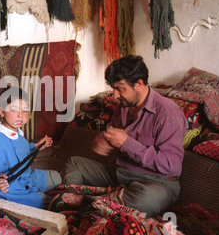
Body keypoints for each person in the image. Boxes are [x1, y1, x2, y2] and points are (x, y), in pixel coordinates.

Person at [63, 55, 187, 216]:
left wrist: (126, 143)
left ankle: (89, 205)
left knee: (146, 199)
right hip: (120, 174)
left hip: (155, 183)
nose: (114, 95)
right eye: (113, 88)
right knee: (74, 164)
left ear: (139, 84)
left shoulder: (168, 114)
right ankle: (98, 203)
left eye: (120, 89)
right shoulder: (124, 105)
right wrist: (102, 140)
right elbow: (109, 133)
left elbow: (171, 165)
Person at [0, 86, 62, 208]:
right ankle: (37, 198)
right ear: (1, 112)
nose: (20, 115)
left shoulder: (17, 133)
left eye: (24, 110)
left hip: (27, 177)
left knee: (57, 177)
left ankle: (39, 192)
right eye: (14, 110)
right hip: (12, 191)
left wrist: (37, 146)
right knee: (54, 204)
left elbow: (20, 150)